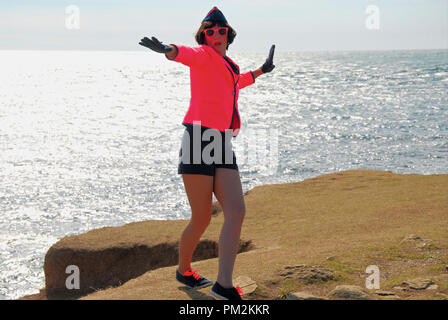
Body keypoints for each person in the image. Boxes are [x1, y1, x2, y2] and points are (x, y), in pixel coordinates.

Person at [139, 6, 275, 300]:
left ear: (229, 35)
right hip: (198, 139)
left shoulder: (230, 66)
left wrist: (261, 71)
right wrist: (168, 49)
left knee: (236, 212)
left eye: (221, 31)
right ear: (204, 36)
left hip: (222, 142)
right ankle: (183, 269)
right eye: (209, 32)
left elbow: (236, 84)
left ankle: (223, 285)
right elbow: (185, 53)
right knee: (201, 217)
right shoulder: (203, 56)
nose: (216, 35)